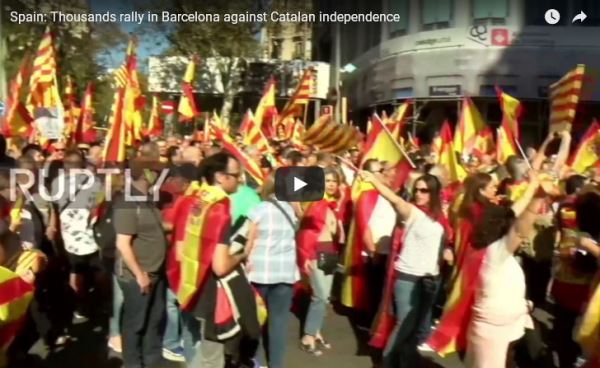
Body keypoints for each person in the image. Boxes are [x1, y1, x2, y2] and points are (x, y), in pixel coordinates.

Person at [361, 171, 451, 368]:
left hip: (430, 280)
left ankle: (407, 362)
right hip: (408, 278)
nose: (418, 194)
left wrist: (447, 250)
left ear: (434, 193)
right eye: (416, 190)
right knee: (405, 325)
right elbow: (393, 199)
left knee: (418, 327)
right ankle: (387, 362)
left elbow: (444, 240)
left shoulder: (440, 216)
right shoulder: (412, 211)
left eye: (424, 191)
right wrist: (375, 181)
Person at [464, 174, 541, 368]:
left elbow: (513, 216)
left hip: (510, 325)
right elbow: (519, 230)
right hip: (493, 333)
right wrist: (539, 197)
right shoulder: (493, 254)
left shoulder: (492, 250)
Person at [113, 158, 168, 368]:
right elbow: (123, 244)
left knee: (153, 320)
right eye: (155, 172)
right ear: (146, 175)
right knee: (135, 324)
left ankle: (152, 361)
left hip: (154, 272)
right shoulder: (128, 202)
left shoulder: (145, 199)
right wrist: (139, 274)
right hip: (138, 276)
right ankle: (133, 363)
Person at [246, 176, 300, 368]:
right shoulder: (291, 211)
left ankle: (257, 361)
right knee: (278, 323)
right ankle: (276, 364)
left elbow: (248, 241)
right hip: (285, 272)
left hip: (259, 272)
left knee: (257, 320)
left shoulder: (258, 210)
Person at [51, 148, 103, 318]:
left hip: (69, 234)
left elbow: (55, 206)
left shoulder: (56, 183)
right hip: (91, 232)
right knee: (97, 269)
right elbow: (101, 204)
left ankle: (78, 304)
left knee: (75, 270)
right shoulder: (95, 182)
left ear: (65, 165)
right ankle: (98, 301)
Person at [297, 168, 342, 355]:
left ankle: (316, 332)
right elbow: (306, 232)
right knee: (320, 296)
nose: (331, 183)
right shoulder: (316, 203)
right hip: (316, 252)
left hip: (329, 252)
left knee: (324, 297)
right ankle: (308, 335)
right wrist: (305, 257)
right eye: (328, 180)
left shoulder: (332, 204)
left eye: (334, 181)